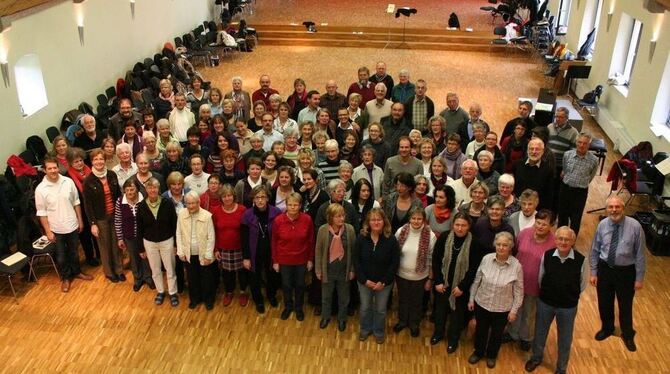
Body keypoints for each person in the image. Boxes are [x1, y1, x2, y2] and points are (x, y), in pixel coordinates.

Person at [525, 226, 587, 374]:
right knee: (540, 333)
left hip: (567, 307)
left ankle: (561, 368)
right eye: (560, 238)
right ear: (556, 240)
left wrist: (569, 295)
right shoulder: (547, 255)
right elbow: (541, 278)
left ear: (572, 241)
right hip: (546, 303)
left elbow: (582, 284)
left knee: (565, 339)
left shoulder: (581, 260)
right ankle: (536, 358)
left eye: (567, 239)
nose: (563, 242)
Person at [590, 196, 646, 352]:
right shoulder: (602, 225)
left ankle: (627, 334)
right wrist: (594, 272)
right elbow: (595, 249)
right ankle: (607, 328)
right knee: (604, 302)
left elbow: (640, 254)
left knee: (625, 305)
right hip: (605, 269)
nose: (614, 210)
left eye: (617, 207)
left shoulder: (635, 227)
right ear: (606, 209)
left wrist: (639, 278)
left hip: (626, 272)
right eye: (610, 207)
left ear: (623, 208)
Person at [35, 157, 93, 293]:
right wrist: (48, 231)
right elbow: (41, 213)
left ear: (58, 168)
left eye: (55, 167)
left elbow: (76, 202)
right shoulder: (40, 189)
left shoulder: (68, 182)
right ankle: (66, 278)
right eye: (49, 168)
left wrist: (80, 220)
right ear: (44, 170)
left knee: (74, 252)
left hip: (72, 224)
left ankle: (77, 271)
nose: (53, 170)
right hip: (56, 228)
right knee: (61, 257)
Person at [468, 231, 523, 369]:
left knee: (496, 334)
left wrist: (514, 311)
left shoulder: (517, 266)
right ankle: (478, 352)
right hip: (482, 303)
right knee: (481, 330)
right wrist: (471, 299)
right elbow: (477, 280)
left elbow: (519, 291)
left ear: (510, 247)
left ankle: (491, 355)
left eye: (505, 245)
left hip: (502, 308)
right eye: (498, 244)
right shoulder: (486, 259)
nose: (501, 247)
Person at [505, 209, 556, 351]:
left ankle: (526, 337)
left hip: (535, 285)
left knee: (529, 312)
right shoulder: (524, 233)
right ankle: (512, 333)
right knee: (515, 309)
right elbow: (514, 252)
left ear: (551, 225)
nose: (539, 226)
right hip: (517, 281)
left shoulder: (554, 243)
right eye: (538, 222)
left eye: (544, 224)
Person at [431, 213, 479, 352]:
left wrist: (462, 287)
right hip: (443, 285)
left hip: (460, 288)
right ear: (453, 225)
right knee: (440, 312)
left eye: (463, 225)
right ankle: (438, 334)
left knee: (457, 316)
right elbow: (436, 259)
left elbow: (473, 269)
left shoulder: (474, 243)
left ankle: (453, 340)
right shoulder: (445, 237)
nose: (459, 228)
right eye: (457, 225)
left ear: (468, 227)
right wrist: (438, 281)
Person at [354, 208, 400, 344]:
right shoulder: (361, 238)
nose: (376, 222)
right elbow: (356, 261)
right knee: (365, 308)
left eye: (379, 219)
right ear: (368, 222)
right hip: (365, 282)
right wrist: (364, 280)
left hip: (384, 284)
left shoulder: (391, 239)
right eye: (373, 220)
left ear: (384, 221)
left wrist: (384, 282)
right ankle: (365, 329)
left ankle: (378, 331)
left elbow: (394, 263)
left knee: (380, 309)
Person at [393, 207, 436, 338]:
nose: (416, 221)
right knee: (403, 299)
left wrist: (430, 278)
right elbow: (394, 252)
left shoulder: (430, 235)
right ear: (409, 219)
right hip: (401, 274)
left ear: (424, 220)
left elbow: (431, 258)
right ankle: (402, 321)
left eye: (419, 219)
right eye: (414, 218)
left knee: (416, 302)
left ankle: (414, 324)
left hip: (420, 276)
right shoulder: (401, 231)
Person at [83, 149, 124, 283]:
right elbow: (87, 205)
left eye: (101, 159)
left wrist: (121, 213)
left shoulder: (112, 175)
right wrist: (93, 224)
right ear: (92, 162)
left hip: (115, 215)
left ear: (105, 160)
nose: (99, 162)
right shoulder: (88, 181)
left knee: (117, 245)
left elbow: (118, 195)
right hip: (100, 218)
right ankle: (109, 272)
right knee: (105, 246)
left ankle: (119, 270)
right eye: (96, 160)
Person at [271, 193, 314, 321]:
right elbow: (274, 241)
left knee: (300, 284)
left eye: (295, 205)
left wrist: (310, 259)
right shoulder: (278, 220)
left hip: (301, 259)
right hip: (284, 259)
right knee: (286, 285)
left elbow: (311, 241)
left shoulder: (307, 219)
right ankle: (288, 306)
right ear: (286, 206)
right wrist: (275, 261)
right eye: (290, 205)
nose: (293, 207)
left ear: (300, 206)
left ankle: (299, 307)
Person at [137, 177, 179, 307]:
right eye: (150, 187)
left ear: (158, 188)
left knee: (170, 268)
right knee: (155, 269)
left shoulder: (167, 203)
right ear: (146, 189)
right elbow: (139, 228)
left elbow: (174, 224)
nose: (152, 190)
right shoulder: (141, 206)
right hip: (149, 243)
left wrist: (176, 245)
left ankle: (172, 292)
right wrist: (141, 249)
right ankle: (160, 291)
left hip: (167, 241)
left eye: (155, 187)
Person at [315, 203, 356, 331]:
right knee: (326, 296)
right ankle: (325, 317)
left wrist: (352, 269)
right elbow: (318, 250)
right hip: (328, 270)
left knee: (344, 297)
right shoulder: (323, 229)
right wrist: (318, 269)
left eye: (343, 216)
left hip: (344, 270)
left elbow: (354, 251)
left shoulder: (349, 230)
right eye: (338, 216)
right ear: (330, 217)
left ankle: (342, 319)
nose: (341, 219)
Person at [241, 186, 282, 314]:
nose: (260, 200)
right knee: (255, 277)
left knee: (272, 276)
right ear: (253, 199)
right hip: (254, 253)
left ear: (268, 198)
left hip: (271, 251)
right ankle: (258, 300)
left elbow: (281, 235)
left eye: (263, 197)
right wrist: (246, 257)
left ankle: (271, 295)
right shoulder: (247, 214)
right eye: (257, 197)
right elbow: (244, 238)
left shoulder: (276, 212)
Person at [176, 191, 216, 310]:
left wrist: (209, 255)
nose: (191, 206)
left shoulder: (207, 216)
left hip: (203, 253)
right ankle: (195, 299)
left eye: (193, 203)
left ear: (199, 202)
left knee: (207, 279)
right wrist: (180, 251)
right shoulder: (181, 214)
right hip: (189, 254)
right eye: (188, 203)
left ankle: (208, 300)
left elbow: (211, 236)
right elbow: (178, 233)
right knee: (192, 278)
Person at [114, 179, 154, 292]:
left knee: (145, 257)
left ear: (137, 189)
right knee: (134, 257)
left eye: (132, 189)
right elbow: (118, 220)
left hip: (145, 235)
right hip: (129, 235)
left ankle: (148, 277)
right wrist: (120, 238)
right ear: (124, 191)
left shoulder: (145, 199)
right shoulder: (119, 201)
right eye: (127, 190)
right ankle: (138, 279)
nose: (130, 192)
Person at [212, 184, 248, 307]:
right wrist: (216, 248)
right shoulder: (216, 211)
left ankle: (243, 292)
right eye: (224, 196)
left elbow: (246, 231)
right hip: (223, 248)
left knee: (242, 272)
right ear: (221, 198)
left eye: (229, 196)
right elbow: (213, 231)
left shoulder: (242, 210)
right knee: (227, 273)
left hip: (240, 248)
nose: (227, 198)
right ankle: (229, 292)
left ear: (234, 196)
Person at [65, 147, 101, 267]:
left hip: (94, 208)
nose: (79, 163)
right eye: (76, 161)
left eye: (80, 160)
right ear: (70, 163)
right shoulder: (68, 178)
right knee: (85, 236)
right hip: (80, 210)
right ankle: (90, 257)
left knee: (97, 233)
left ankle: (100, 254)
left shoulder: (90, 170)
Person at [558, 132, 599, 236]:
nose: (581, 145)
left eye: (584, 143)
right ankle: (561, 235)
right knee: (562, 215)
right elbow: (565, 169)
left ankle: (572, 239)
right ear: (576, 143)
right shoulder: (567, 155)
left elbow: (591, 176)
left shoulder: (594, 160)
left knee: (576, 218)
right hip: (565, 189)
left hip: (580, 192)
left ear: (589, 145)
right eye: (579, 142)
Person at [513, 138, 554, 210]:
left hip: (537, 210)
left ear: (543, 151)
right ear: (527, 150)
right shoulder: (518, 165)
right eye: (531, 149)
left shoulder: (548, 170)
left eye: (537, 149)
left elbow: (549, 194)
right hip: (518, 207)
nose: (534, 152)